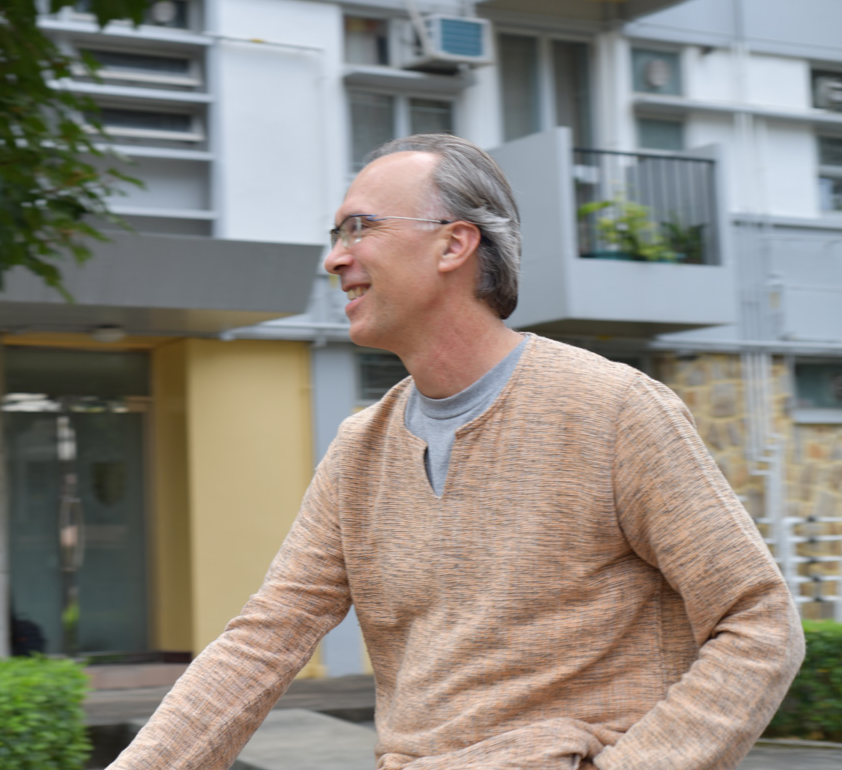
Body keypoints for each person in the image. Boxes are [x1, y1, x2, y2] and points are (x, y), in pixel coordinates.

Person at [108, 134, 804, 770]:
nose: (335, 257)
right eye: (336, 234)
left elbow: (758, 622)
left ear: (453, 245)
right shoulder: (360, 448)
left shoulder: (612, 409)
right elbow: (263, 642)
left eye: (360, 228)